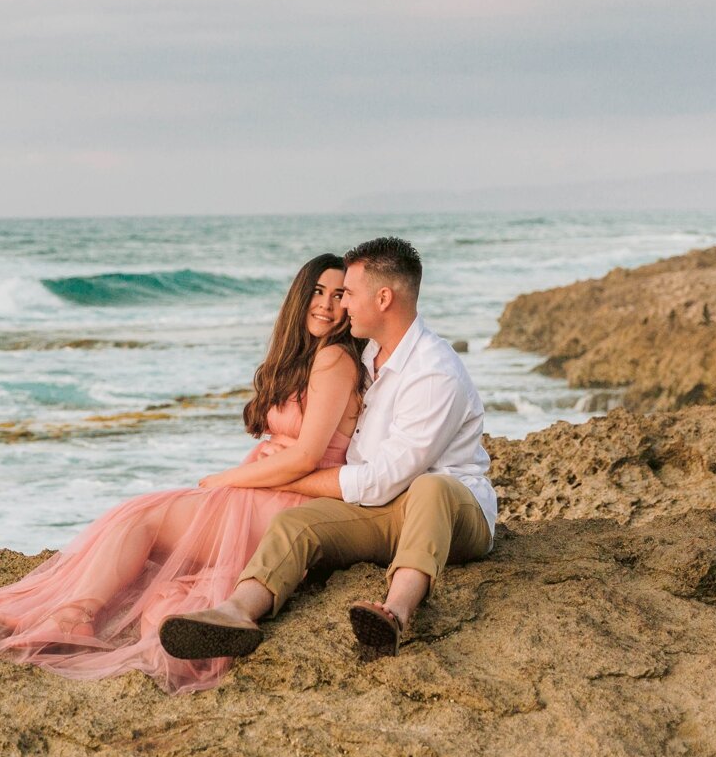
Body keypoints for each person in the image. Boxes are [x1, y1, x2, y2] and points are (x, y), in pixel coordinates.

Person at [0, 253, 367, 693]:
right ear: (300, 297)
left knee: (141, 518)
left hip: (288, 503)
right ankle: (82, 615)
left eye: (340, 295)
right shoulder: (309, 358)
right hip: (267, 490)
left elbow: (306, 457)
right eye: (317, 292)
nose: (327, 305)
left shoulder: (335, 360)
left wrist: (222, 480)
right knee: (158, 573)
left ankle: (76, 617)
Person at [158, 236, 496, 662]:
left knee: (432, 488)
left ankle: (393, 613)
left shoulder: (434, 372)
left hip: (452, 514)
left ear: (384, 297)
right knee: (297, 522)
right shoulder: (370, 354)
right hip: (384, 511)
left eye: (349, 294)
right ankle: (237, 612)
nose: (343, 306)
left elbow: (381, 480)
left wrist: (293, 472)